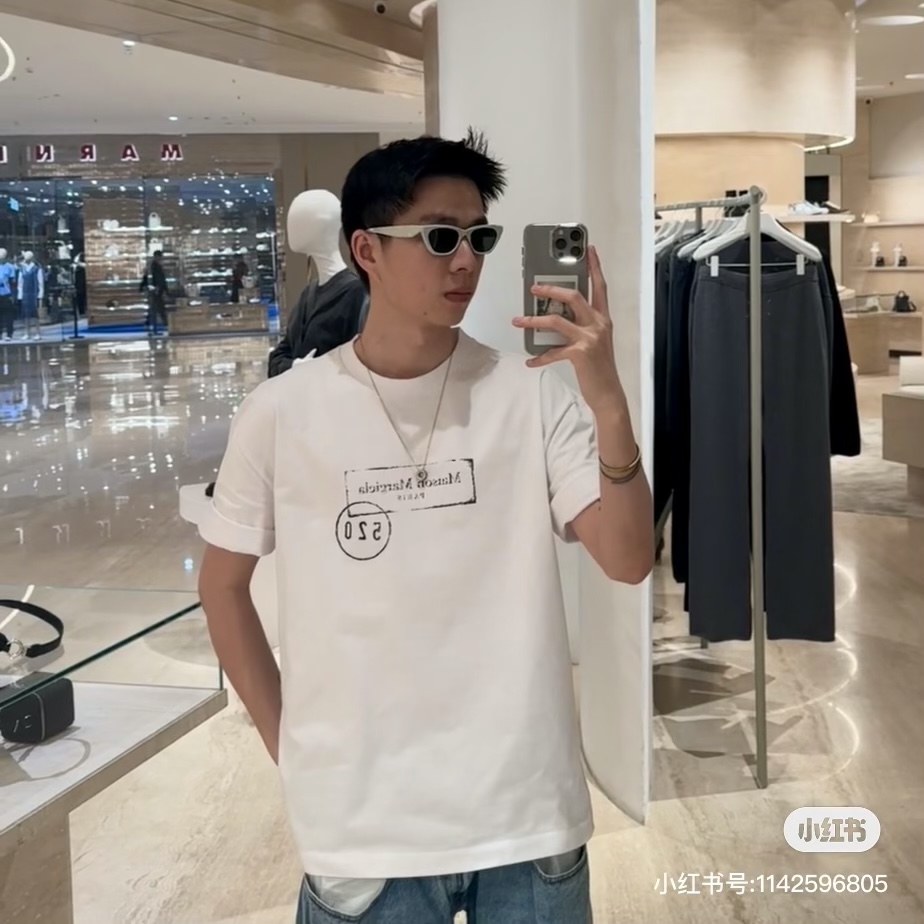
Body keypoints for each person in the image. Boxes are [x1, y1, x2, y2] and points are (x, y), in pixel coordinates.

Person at [198, 131, 654, 924]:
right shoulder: (281, 412)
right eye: (441, 237)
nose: (466, 261)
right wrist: (291, 748)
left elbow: (628, 558)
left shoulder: (530, 394)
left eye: (480, 237)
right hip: (364, 837)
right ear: (365, 249)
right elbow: (221, 587)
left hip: (526, 822)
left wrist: (607, 400)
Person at [140, 250, 168, 335]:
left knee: (155, 308)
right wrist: (162, 289)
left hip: (156, 290)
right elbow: (159, 279)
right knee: (159, 308)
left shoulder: (153, 266)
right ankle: (164, 323)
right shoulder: (155, 267)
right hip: (156, 290)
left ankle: (149, 323)